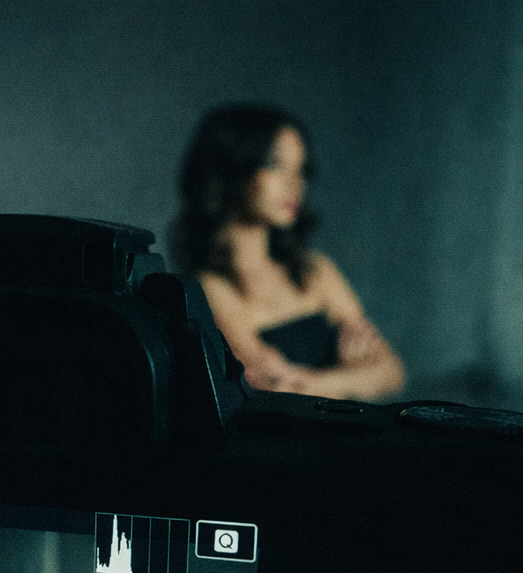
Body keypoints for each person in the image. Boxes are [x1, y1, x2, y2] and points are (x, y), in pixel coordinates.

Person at [172, 104, 405, 400]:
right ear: (232, 168)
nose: (295, 183)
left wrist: (313, 383)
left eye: (300, 169)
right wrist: (350, 375)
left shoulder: (315, 270)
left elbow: (392, 371)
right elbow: (276, 392)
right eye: (275, 164)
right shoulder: (208, 288)